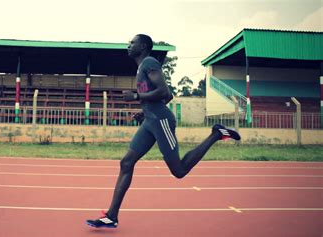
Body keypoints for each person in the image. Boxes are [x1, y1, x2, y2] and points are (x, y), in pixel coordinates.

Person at [86, 34, 241, 228]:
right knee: (126, 162)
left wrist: (136, 96)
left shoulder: (150, 62)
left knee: (179, 170)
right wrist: (144, 113)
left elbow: (164, 92)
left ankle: (216, 134)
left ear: (142, 46)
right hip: (150, 121)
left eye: (132, 43)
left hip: (161, 121)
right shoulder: (141, 67)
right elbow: (165, 97)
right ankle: (111, 216)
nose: (128, 45)